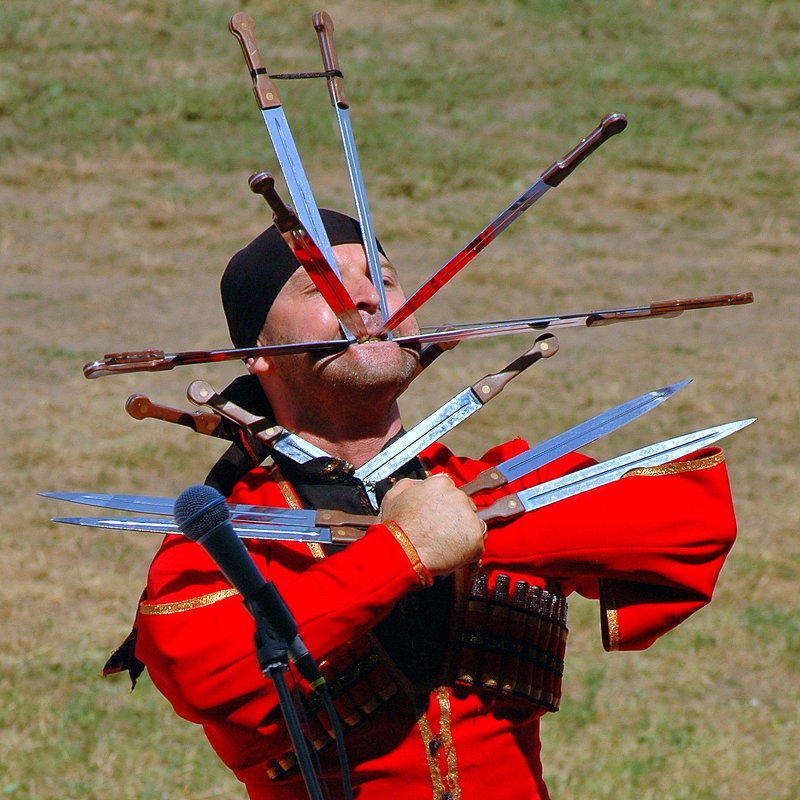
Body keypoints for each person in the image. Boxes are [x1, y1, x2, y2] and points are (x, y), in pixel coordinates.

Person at [124, 211, 737, 800]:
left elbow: (690, 519)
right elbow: (209, 671)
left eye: (382, 278)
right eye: (320, 285)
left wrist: (468, 524)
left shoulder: (487, 485)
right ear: (255, 353)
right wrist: (401, 552)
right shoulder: (236, 536)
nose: (366, 300)